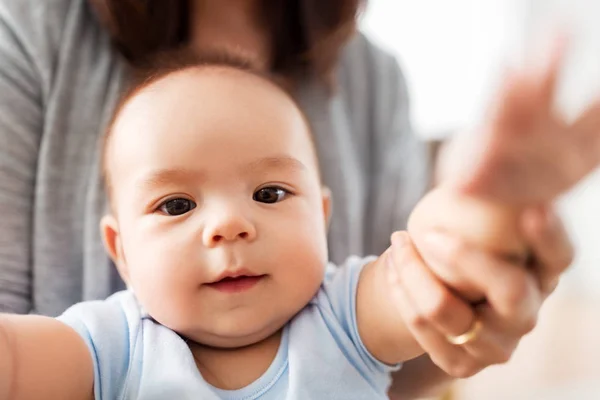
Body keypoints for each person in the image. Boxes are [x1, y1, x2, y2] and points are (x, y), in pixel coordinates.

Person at [0, 0, 589, 397]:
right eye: (177, 206)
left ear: (323, 217)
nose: (229, 225)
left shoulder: (341, 321)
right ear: (119, 249)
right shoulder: (114, 344)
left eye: (270, 192)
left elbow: (424, 270)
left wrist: (478, 212)